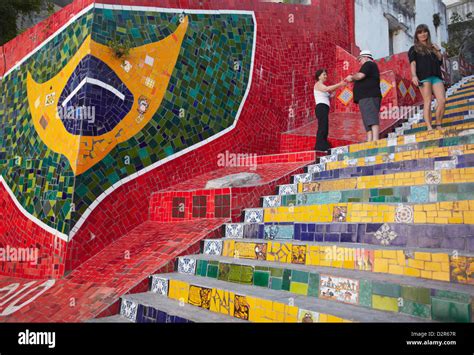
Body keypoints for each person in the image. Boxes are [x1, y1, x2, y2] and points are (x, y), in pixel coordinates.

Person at [409, 24, 446, 130]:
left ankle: (438, 124)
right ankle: (429, 126)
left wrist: (438, 50)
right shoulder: (413, 49)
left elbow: (440, 62)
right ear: (416, 35)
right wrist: (414, 75)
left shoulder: (432, 47)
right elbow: (413, 63)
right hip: (423, 77)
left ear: (428, 33)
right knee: (428, 101)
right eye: (420, 32)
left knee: (442, 100)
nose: (423, 34)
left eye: (425, 31)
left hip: (436, 76)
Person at [345, 50, 382, 142]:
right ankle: (370, 139)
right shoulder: (369, 66)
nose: (359, 62)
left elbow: (360, 76)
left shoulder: (369, 64)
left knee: (371, 116)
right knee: (367, 118)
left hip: (369, 95)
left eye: (360, 59)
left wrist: (351, 77)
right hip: (365, 97)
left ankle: (375, 139)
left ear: (366, 57)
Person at [313, 69, 347, 152]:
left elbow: (329, 94)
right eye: (324, 74)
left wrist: (335, 91)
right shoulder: (318, 84)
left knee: (325, 126)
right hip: (321, 107)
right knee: (322, 126)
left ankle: (323, 144)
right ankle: (320, 146)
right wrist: (339, 84)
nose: (326, 76)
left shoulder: (322, 86)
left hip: (324, 108)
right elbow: (327, 89)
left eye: (326, 74)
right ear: (319, 76)